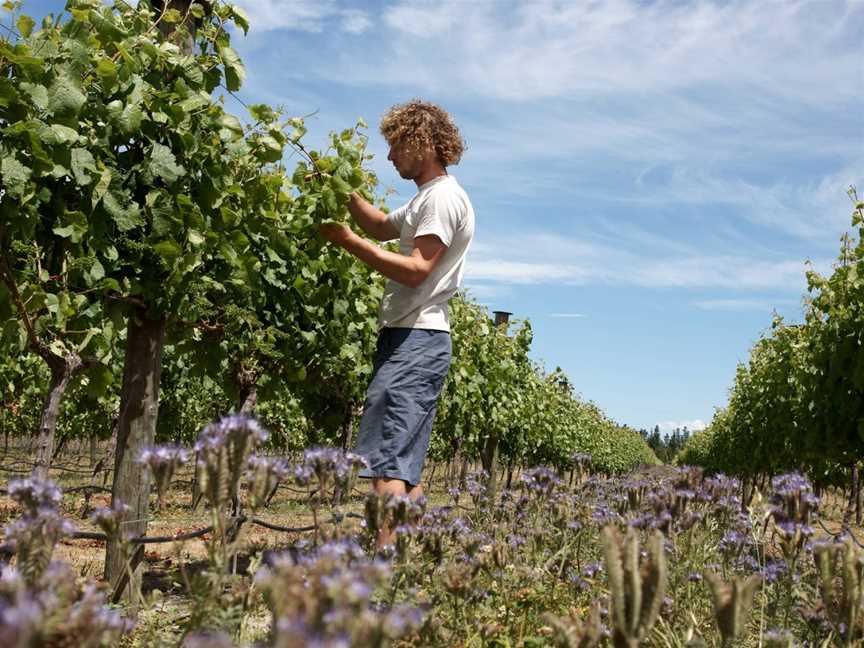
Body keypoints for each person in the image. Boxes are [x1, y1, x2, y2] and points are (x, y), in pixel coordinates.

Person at [319, 99, 474, 546]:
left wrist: (346, 241)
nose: (390, 157)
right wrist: (340, 190)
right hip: (415, 339)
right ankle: (410, 559)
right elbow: (382, 226)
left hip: (416, 339)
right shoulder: (427, 199)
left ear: (420, 142)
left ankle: (384, 572)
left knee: (386, 462)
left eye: (395, 147)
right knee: (402, 463)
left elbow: (416, 269)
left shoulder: (442, 200)